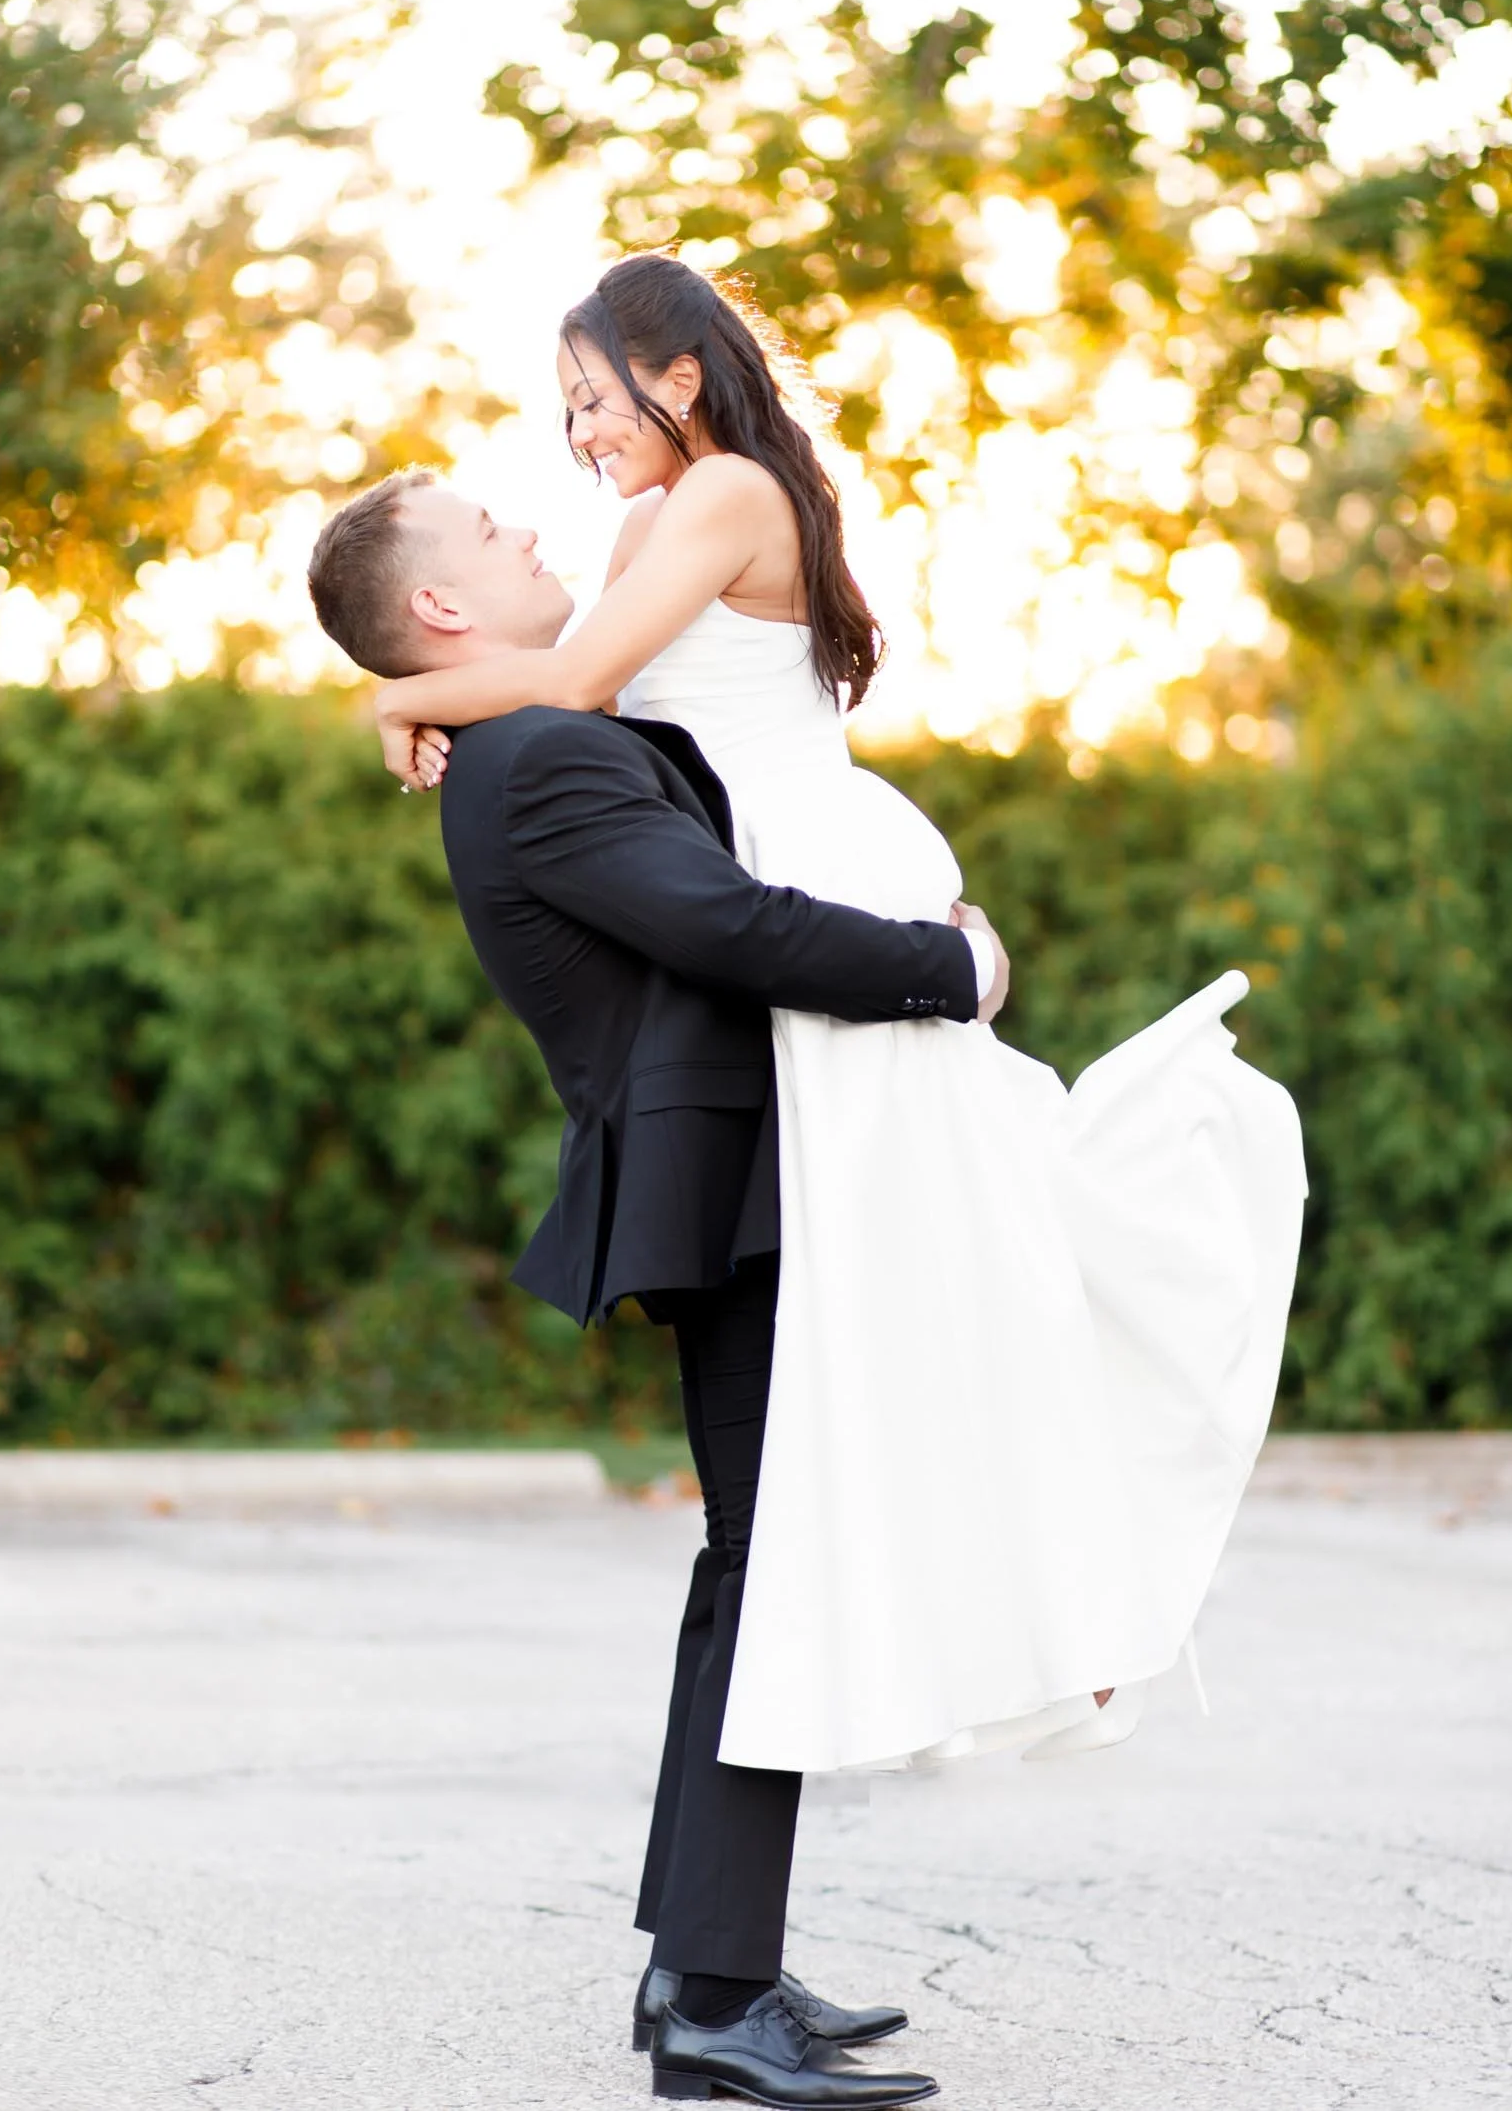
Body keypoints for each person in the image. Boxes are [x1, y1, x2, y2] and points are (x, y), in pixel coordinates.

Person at [369, 254, 1303, 1786]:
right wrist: (433, 696)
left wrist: (393, 699)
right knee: (875, 1330)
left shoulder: (730, 491)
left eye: (595, 399)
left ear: (677, 378)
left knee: (946, 1279)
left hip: (816, 868)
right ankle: (962, 1637)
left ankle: (1064, 1590)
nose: (582, 435)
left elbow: (584, 678)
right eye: (566, 414)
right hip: (757, 874)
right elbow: (584, 712)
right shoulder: (643, 522)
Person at [307, 470, 1002, 2107]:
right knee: (769, 1573)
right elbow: (731, 925)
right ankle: (712, 2009)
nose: (534, 530)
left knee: (752, 1568)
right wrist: (952, 968)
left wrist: (405, 703)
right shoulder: (539, 761)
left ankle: (703, 1970)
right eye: (491, 533)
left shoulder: (528, 732)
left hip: (748, 1181)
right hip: (732, 1195)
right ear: (439, 608)